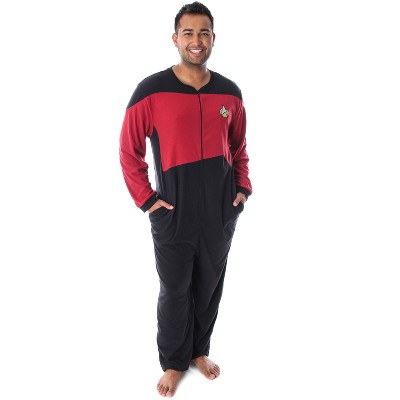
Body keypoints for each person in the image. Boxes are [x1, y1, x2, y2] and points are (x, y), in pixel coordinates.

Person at [119, 2, 252, 397]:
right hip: (172, 209)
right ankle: (174, 362)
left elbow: (239, 147)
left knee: (209, 284)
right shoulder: (151, 91)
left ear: (213, 38)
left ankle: (198, 351)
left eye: (204, 33)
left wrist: (242, 190)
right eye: (189, 33)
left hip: (220, 209)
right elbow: (129, 151)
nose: (197, 41)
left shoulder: (230, 92)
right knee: (176, 288)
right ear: (175, 39)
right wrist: (148, 201)